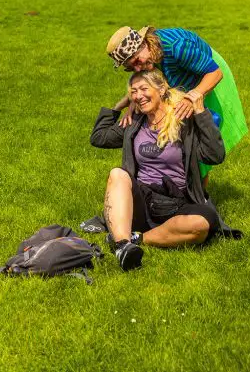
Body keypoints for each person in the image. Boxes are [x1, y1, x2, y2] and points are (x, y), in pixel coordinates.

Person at [90, 70, 225, 271]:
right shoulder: (134, 121)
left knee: (203, 223)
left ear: (162, 89)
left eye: (144, 89)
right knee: (117, 174)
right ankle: (121, 247)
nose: (138, 96)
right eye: (133, 91)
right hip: (142, 201)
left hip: (178, 202)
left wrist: (200, 112)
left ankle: (137, 239)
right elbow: (99, 138)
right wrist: (121, 105)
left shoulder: (183, 119)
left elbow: (214, 155)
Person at [105, 26, 247, 180]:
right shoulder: (149, 56)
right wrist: (133, 100)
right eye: (131, 67)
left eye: (137, 61)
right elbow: (148, 78)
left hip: (208, 74)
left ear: (144, 43)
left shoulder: (177, 46)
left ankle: (199, 195)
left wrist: (192, 96)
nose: (138, 68)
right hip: (180, 76)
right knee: (181, 136)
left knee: (200, 134)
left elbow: (215, 72)